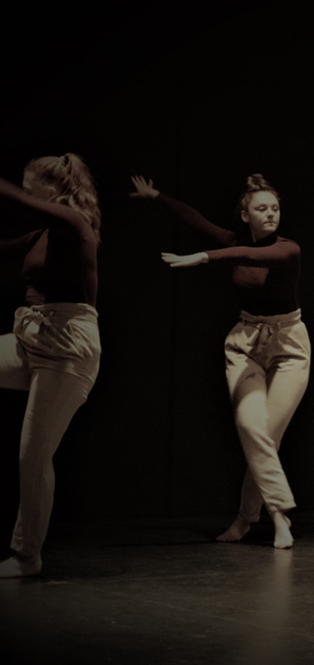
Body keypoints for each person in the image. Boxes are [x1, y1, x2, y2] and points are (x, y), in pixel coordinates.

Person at [129, 173, 308, 549]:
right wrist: (155, 195)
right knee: (250, 426)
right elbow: (194, 219)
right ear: (245, 215)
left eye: (275, 208)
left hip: (289, 346)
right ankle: (278, 514)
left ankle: (246, 521)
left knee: (267, 438)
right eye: (262, 209)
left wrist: (205, 258)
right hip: (245, 343)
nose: (271, 214)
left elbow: (252, 256)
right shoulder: (233, 239)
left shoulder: (288, 249)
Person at [0, 154, 101, 578]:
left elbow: (29, 204)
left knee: (33, 454)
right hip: (31, 338)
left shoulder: (76, 224)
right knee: (33, 453)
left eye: (29, 185)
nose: (25, 192)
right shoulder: (41, 234)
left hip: (67, 348)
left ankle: (27, 556)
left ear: (52, 189)